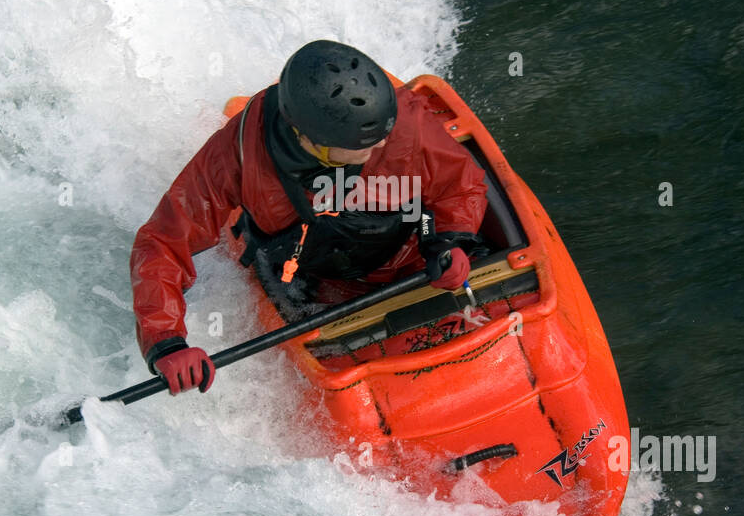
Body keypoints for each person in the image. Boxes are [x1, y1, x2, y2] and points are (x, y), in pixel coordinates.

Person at [130, 40, 489, 394]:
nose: (381, 145)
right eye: (367, 142)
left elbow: (461, 185)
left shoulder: (402, 123)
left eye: (383, 135)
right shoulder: (236, 155)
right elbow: (162, 241)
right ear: (312, 139)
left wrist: (451, 240)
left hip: (407, 260)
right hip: (312, 279)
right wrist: (167, 342)